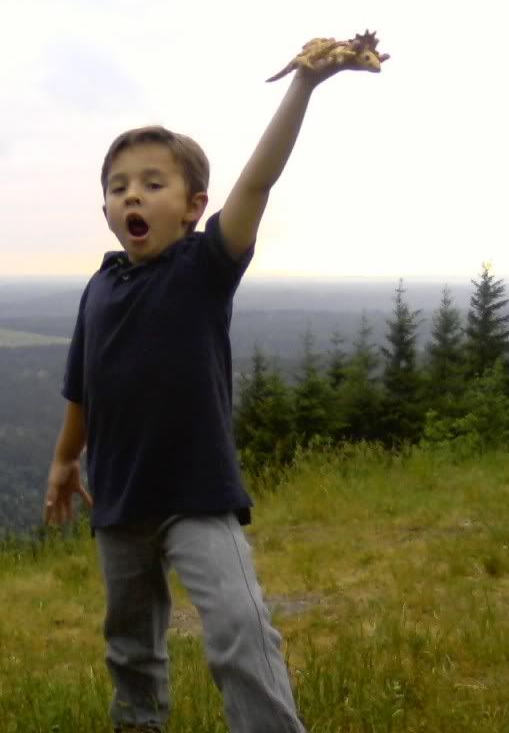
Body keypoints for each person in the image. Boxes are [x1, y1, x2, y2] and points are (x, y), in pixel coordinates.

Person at [43, 53, 359, 733]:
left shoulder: (202, 268)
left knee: (240, 630)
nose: (131, 194)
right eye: (118, 185)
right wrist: (66, 460)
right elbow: (83, 388)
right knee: (130, 648)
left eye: (152, 183)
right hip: (119, 500)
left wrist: (303, 86)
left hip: (197, 494)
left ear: (192, 207)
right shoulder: (98, 289)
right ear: (104, 207)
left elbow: (258, 182)